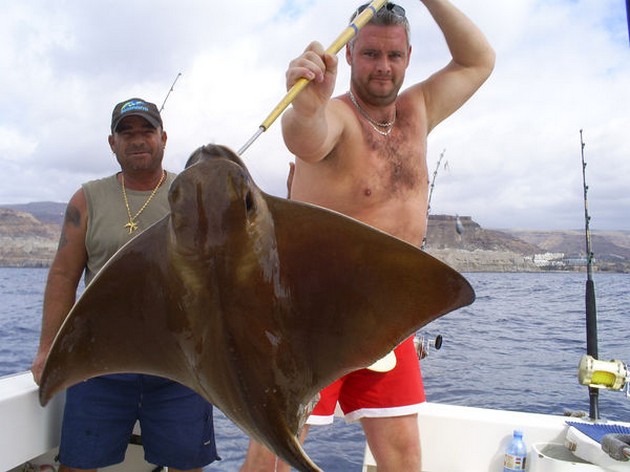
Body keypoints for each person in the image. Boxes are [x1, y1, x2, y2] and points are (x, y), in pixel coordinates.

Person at [241, 1, 494, 470]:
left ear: (409, 57)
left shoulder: (419, 108)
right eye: (371, 53)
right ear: (351, 54)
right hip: (311, 317)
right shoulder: (336, 117)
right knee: (271, 457)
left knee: (402, 456)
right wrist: (306, 104)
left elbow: (479, 61)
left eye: (393, 56)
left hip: (389, 317)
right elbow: (305, 138)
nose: (383, 66)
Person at [30, 98, 219, 472]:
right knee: (77, 463)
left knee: (187, 465)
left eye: (146, 130)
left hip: (178, 366)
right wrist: (48, 346)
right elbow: (64, 275)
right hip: (99, 362)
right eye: (126, 132)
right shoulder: (87, 199)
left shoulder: (191, 196)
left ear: (163, 138)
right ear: (111, 143)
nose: (137, 140)